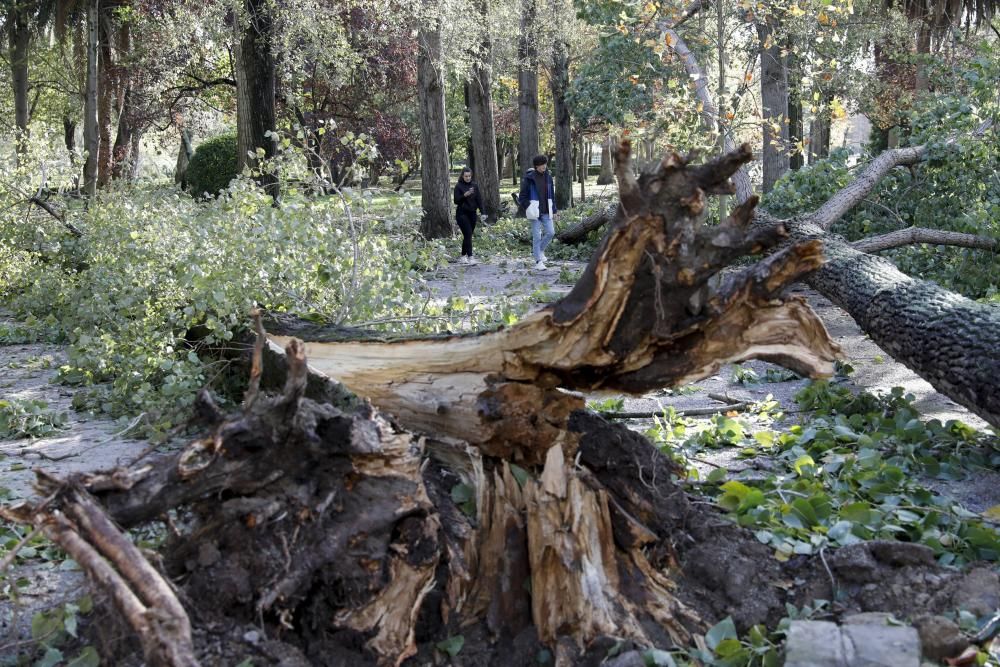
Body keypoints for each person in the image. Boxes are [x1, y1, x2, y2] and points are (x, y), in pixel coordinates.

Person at [518, 154, 556, 270]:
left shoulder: (548, 177)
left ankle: (539, 250)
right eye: (541, 164)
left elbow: (552, 195)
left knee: (551, 232)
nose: (544, 166)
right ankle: (538, 261)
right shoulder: (529, 178)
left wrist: (554, 210)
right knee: (536, 236)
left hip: (546, 211)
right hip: (534, 213)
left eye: (545, 164)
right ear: (536, 166)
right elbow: (522, 196)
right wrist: (529, 206)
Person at [453, 167, 486, 265]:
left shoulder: (474, 186)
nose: (467, 178)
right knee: (467, 234)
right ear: (462, 176)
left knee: (468, 235)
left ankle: (463, 256)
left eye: (469, 176)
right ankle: (471, 257)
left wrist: (483, 212)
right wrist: (464, 195)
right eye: (466, 176)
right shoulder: (458, 186)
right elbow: (456, 200)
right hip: (462, 213)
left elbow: (479, 200)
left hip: (472, 213)